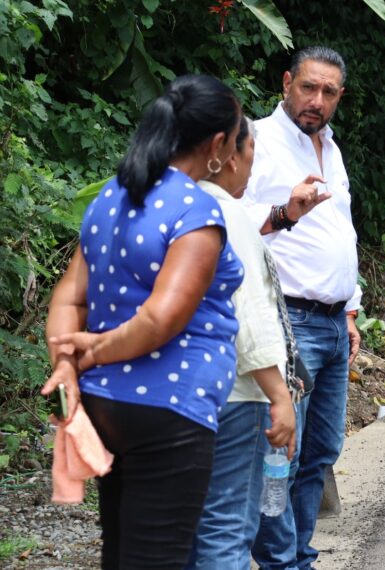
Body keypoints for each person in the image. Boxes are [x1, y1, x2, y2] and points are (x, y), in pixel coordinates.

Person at [42, 74, 245, 568]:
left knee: (125, 555)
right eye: (237, 138)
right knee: (159, 558)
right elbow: (161, 318)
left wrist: (67, 362)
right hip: (169, 408)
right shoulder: (195, 210)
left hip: (107, 404)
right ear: (216, 144)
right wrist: (91, 351)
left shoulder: (110, 198)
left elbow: (69, 298)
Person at [187, 117, 329, 568]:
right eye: (252, 154)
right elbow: (247, 316)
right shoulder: (225, 215)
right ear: (228, 155)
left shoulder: (153, 205)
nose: (252, 168)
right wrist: (279, 396)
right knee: (226, 529)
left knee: (185, 529)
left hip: (169, 394)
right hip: (232, 393)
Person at [244, 46, 362, 570]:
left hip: (334, 324)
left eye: (328, 92)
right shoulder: (256, 140)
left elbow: (342, 231)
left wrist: (352, 309)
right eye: (307, 87)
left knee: (318, 456)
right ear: (287, 82)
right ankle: (282, 564)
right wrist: (282, 212)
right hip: (288, 322)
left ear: (340, 97)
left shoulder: (331, 149)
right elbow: (223, 217)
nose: (316, 101)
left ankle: (300, 556)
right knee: (280, 458)